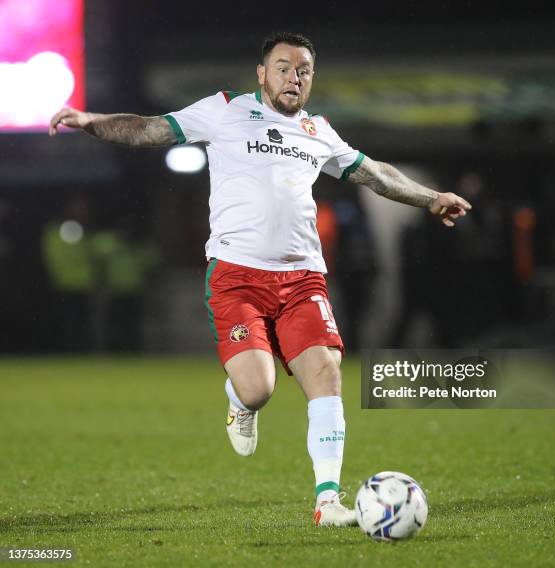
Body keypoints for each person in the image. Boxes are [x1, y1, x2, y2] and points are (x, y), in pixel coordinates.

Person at [49, 32, 471, 526]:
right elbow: (147, 130)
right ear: (262, 73)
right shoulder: (225, 109)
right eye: (285, 67)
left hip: (302, 280)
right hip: (237, 277)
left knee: (327, 376)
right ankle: (238, 401)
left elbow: (374, 173)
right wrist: (89, 121)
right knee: (258, 390)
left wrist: (430, 197)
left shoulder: (318, 130)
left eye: (305, 70)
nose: (295, 76)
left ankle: (327, 501)